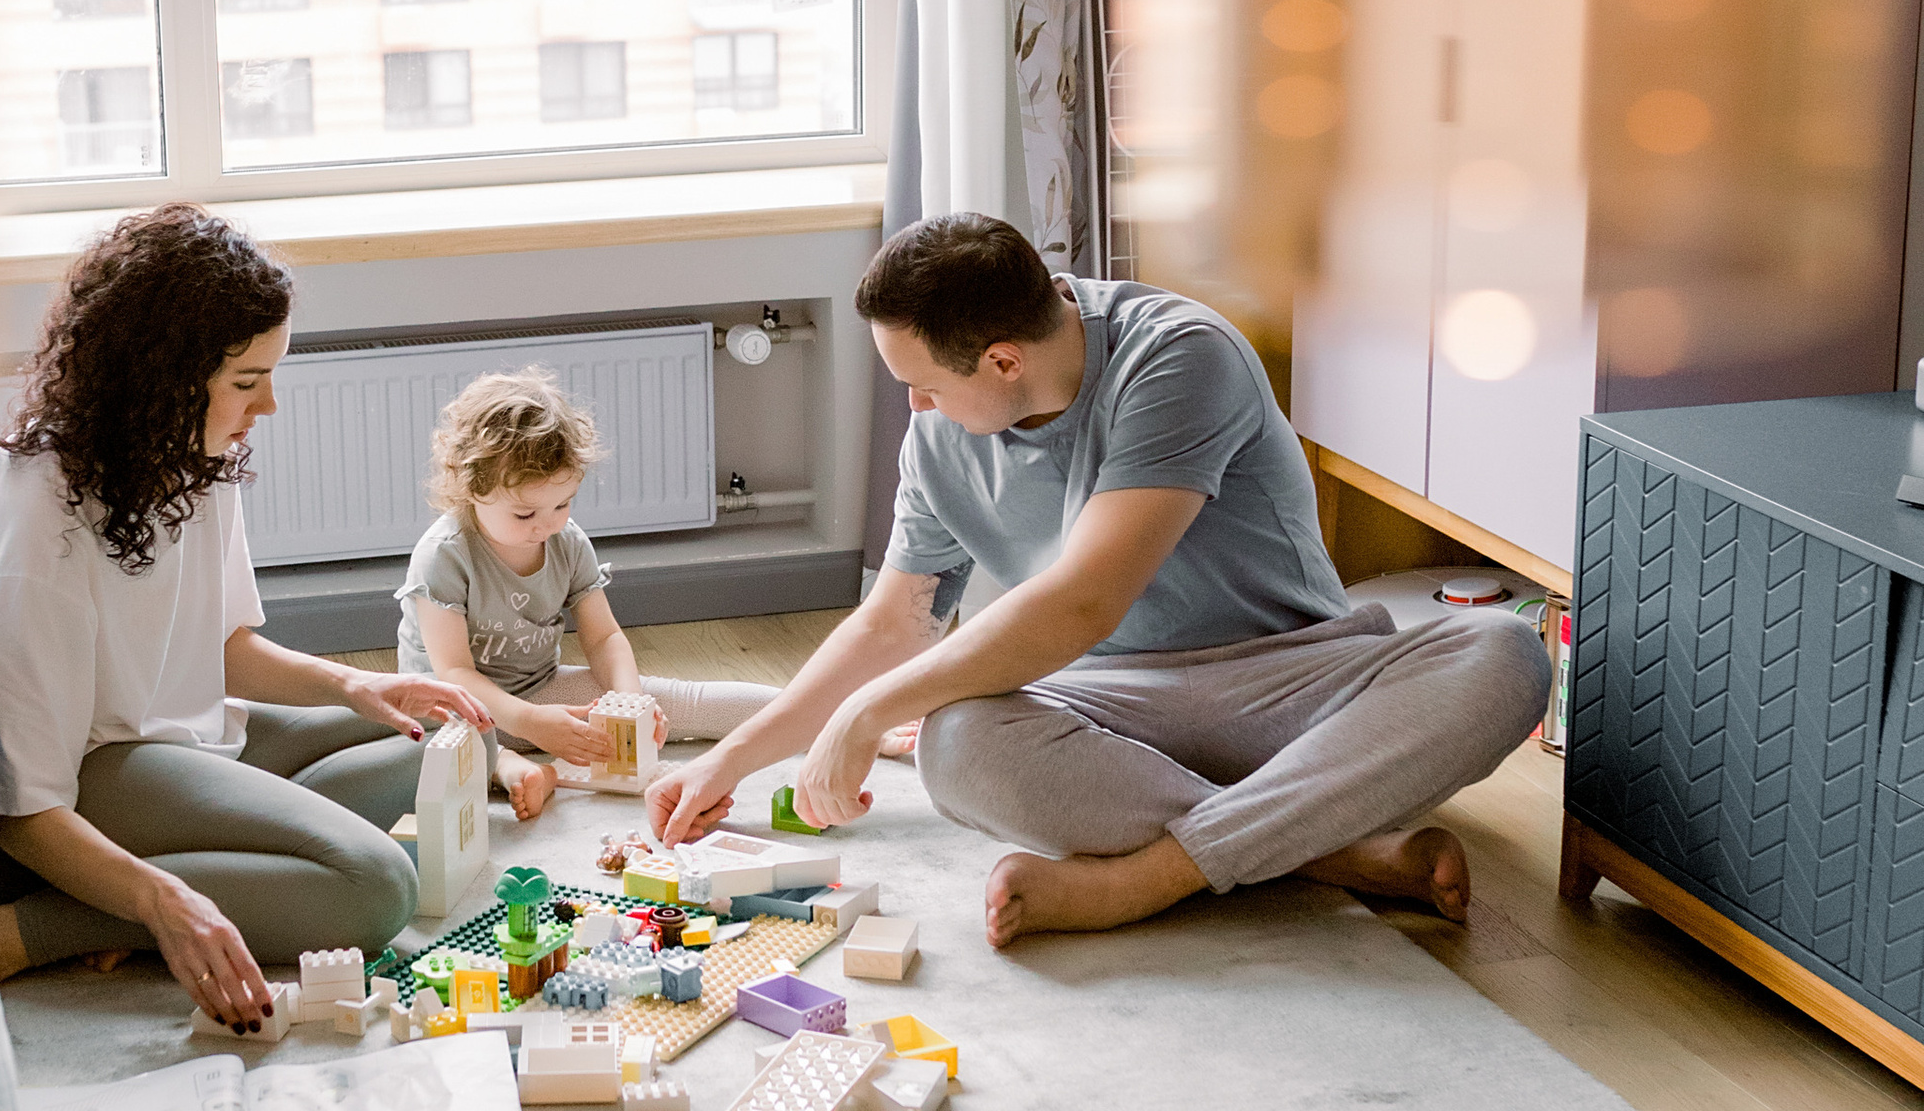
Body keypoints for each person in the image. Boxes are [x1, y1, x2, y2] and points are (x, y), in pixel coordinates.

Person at [647, 213, 1551, 946]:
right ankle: (1332, 850)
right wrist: (727, 761)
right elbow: (895, 624)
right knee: (956, 743)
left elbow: (1083, 601)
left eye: (921, 384)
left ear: (1004, 359)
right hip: (1117, 708)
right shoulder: (940, 436)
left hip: (1291, 687)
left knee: (1506, 652)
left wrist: (866, 712)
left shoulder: (1179, 357)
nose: (913, 408)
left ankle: (1146, 879)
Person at [0, 205, 489, 1023]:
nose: (269, 409)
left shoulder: (192, 459)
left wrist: (358, 689)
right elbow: (24, 815)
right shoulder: (31, 530)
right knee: (375, 888)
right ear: (158, 381)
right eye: (247, 383)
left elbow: (224, 647)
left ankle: (231, 862)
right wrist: (163, 906)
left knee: (459, 729)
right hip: (70, 795)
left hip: (170, 742)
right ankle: (30, 929)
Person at [397, 367, 770, 818]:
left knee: (682, 700)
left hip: (540, 690)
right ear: (472, 489)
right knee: (427, 753)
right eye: (524, 513)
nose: (546, 524)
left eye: (562, 503)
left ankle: (837, 719)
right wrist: (531, 724)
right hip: (455, 707)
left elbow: (603, 637)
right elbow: (454, 672)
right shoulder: (444, 555)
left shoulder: (567, 541)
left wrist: (630, 701)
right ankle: (513, 769)